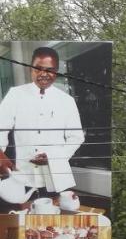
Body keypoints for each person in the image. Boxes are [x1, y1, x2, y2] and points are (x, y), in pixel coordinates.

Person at [0, 46, 85, 205]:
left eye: (50, 70)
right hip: (23, 177)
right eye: (38, 69)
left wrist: (55, 156)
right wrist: (1, 156)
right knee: (24, 221)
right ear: (30, 69)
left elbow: (76, 136)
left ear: (57, 71)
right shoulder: (15, 94)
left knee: (54, 222)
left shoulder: (66, 101)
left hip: (56, 177)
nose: (43, 74)